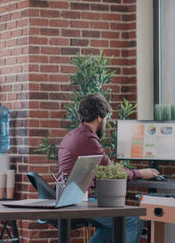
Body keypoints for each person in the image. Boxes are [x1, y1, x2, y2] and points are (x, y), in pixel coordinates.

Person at [57, 93, 158, 243]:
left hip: (69, 198)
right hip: (78, 201)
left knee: (110, 225)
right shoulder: (88, 139)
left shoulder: (73, 135)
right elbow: (113, 172)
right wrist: (141, 173)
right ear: (99, 117)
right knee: (133, 219)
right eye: (106, 119)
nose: (105, 122)